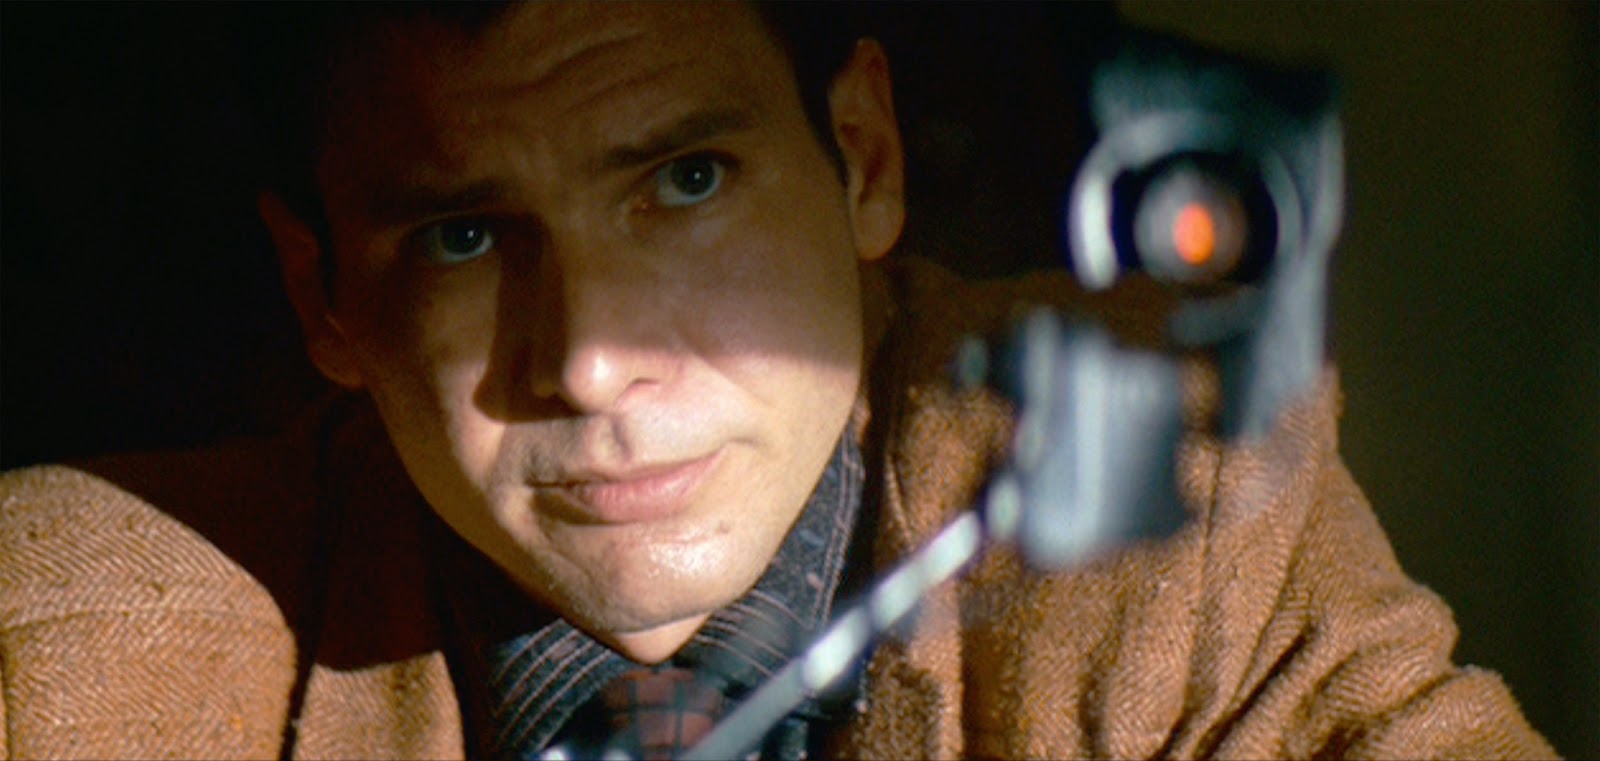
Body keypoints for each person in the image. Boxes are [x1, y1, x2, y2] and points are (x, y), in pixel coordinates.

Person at [0, 3, 1556, 759]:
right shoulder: (65, 643)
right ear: (322, 293)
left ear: (862, 163)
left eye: (686, 181)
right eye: (465, 234)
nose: (591, 360)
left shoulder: (1170, 510)